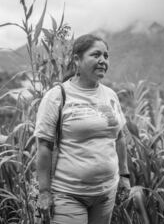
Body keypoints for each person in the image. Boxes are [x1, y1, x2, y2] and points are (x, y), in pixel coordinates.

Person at [34, 34, 131, 224]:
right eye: (96, 55)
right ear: (77, 60)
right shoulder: (57, 96)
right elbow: (44, 146)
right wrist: (44, 192)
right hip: (68, 194)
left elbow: (119, 137)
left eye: (106, 55)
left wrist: (124, 175)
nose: (103, 60)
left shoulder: (110, 95)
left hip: (106, 194)